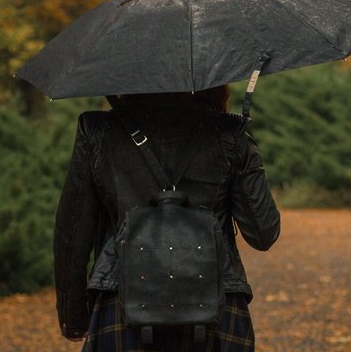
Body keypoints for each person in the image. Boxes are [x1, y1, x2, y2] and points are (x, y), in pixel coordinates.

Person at [54, 85, 281, 351]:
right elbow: (263, 233)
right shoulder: (229, 133)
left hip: (120, 300)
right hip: (217, 304)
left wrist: (74, 318)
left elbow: (71, 235)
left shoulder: (98, 130)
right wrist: (243, 141)